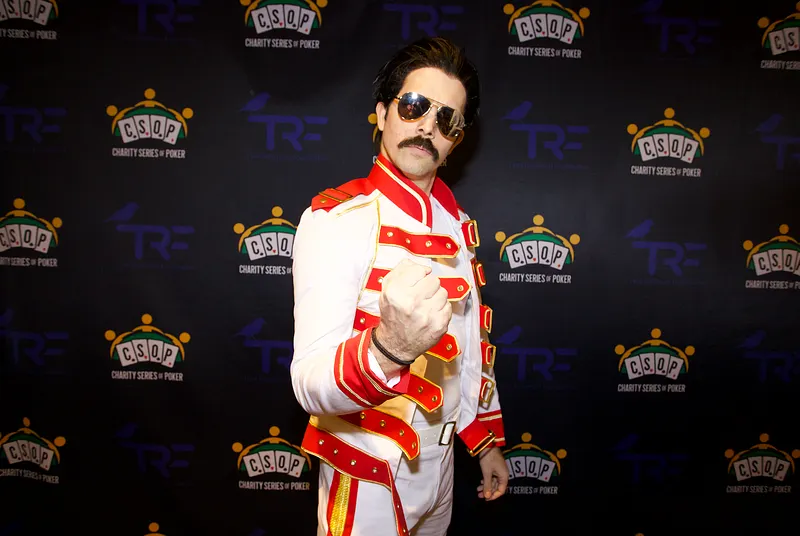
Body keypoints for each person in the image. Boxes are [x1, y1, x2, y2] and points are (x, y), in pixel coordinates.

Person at [290, 36, 508, 536]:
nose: (428, 126)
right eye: (414, 105)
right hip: (368, 472)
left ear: (456, 141)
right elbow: (309, 383)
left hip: (442, 471)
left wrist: (484, 441)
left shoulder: (458, 225)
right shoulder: (338, 219)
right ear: (383, 112)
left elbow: (469, 350)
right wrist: (389, 348)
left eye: (448, 120)